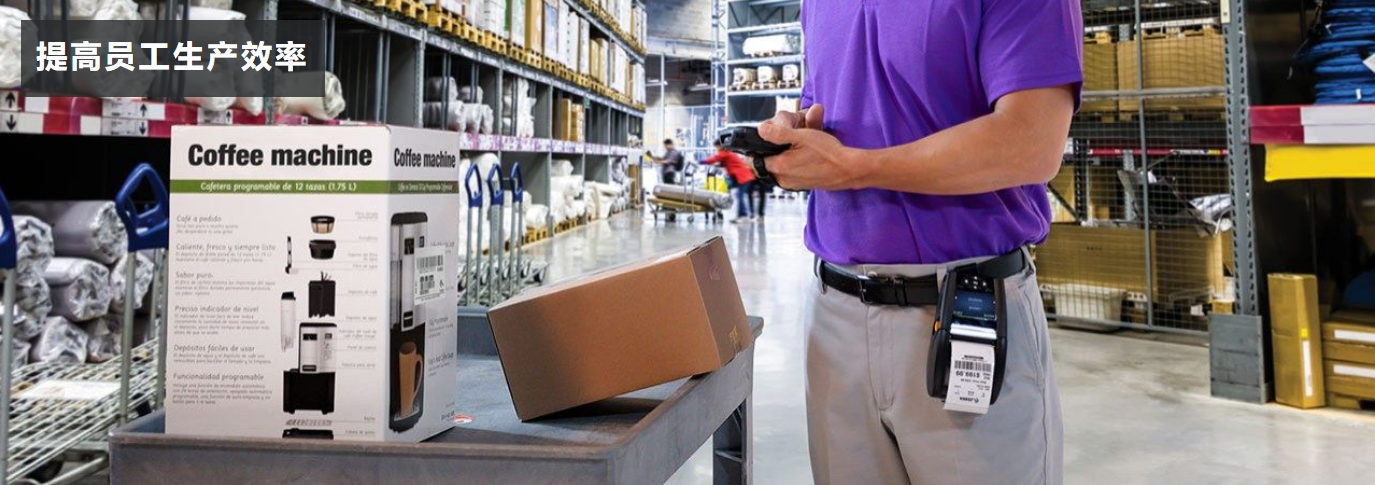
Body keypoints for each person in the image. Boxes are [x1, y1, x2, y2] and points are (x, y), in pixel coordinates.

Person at [757, 1, 1081, 484]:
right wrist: (797, 132)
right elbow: (831, 107)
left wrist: (856, 168)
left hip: (967, 307)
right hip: (834, 314)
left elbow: (1031, 142)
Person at [702, 139, 757, 223]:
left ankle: (744, 216)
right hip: (744, 176)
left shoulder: (725, 153)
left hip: (743, 177)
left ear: (720, 146)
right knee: (739, 196)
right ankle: (741, 216)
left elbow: (714, 159)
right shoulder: (729, 153)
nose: (716, 149)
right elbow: (726, 162)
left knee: (740, 196)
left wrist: (701, 162)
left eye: (716, 147)